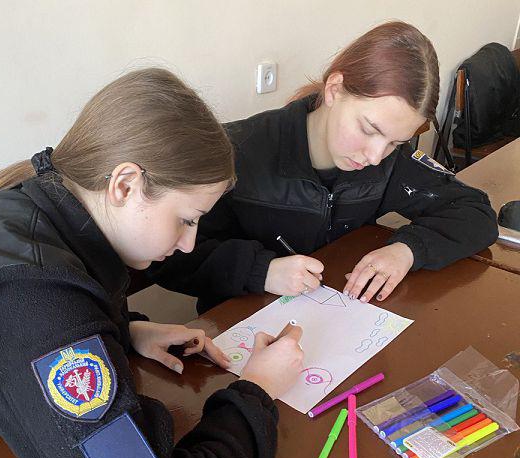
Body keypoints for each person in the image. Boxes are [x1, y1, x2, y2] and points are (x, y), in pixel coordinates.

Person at [0, 68, 304, 458]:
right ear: (125, 185)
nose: (189, 243)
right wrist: (257, 390)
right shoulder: (31, 299)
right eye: (187, 218)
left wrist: (124, 328)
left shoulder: (44, 202)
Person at [148, 22, 499, 313]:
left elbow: (475, 212)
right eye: (369, 129)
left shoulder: (389, 163)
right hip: (240, 331)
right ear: (334, 89)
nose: (375, 156)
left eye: (395, 142)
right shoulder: (236, 152)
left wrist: (406, 251)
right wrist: (261, 271)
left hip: (337, 320)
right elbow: (164, 255)